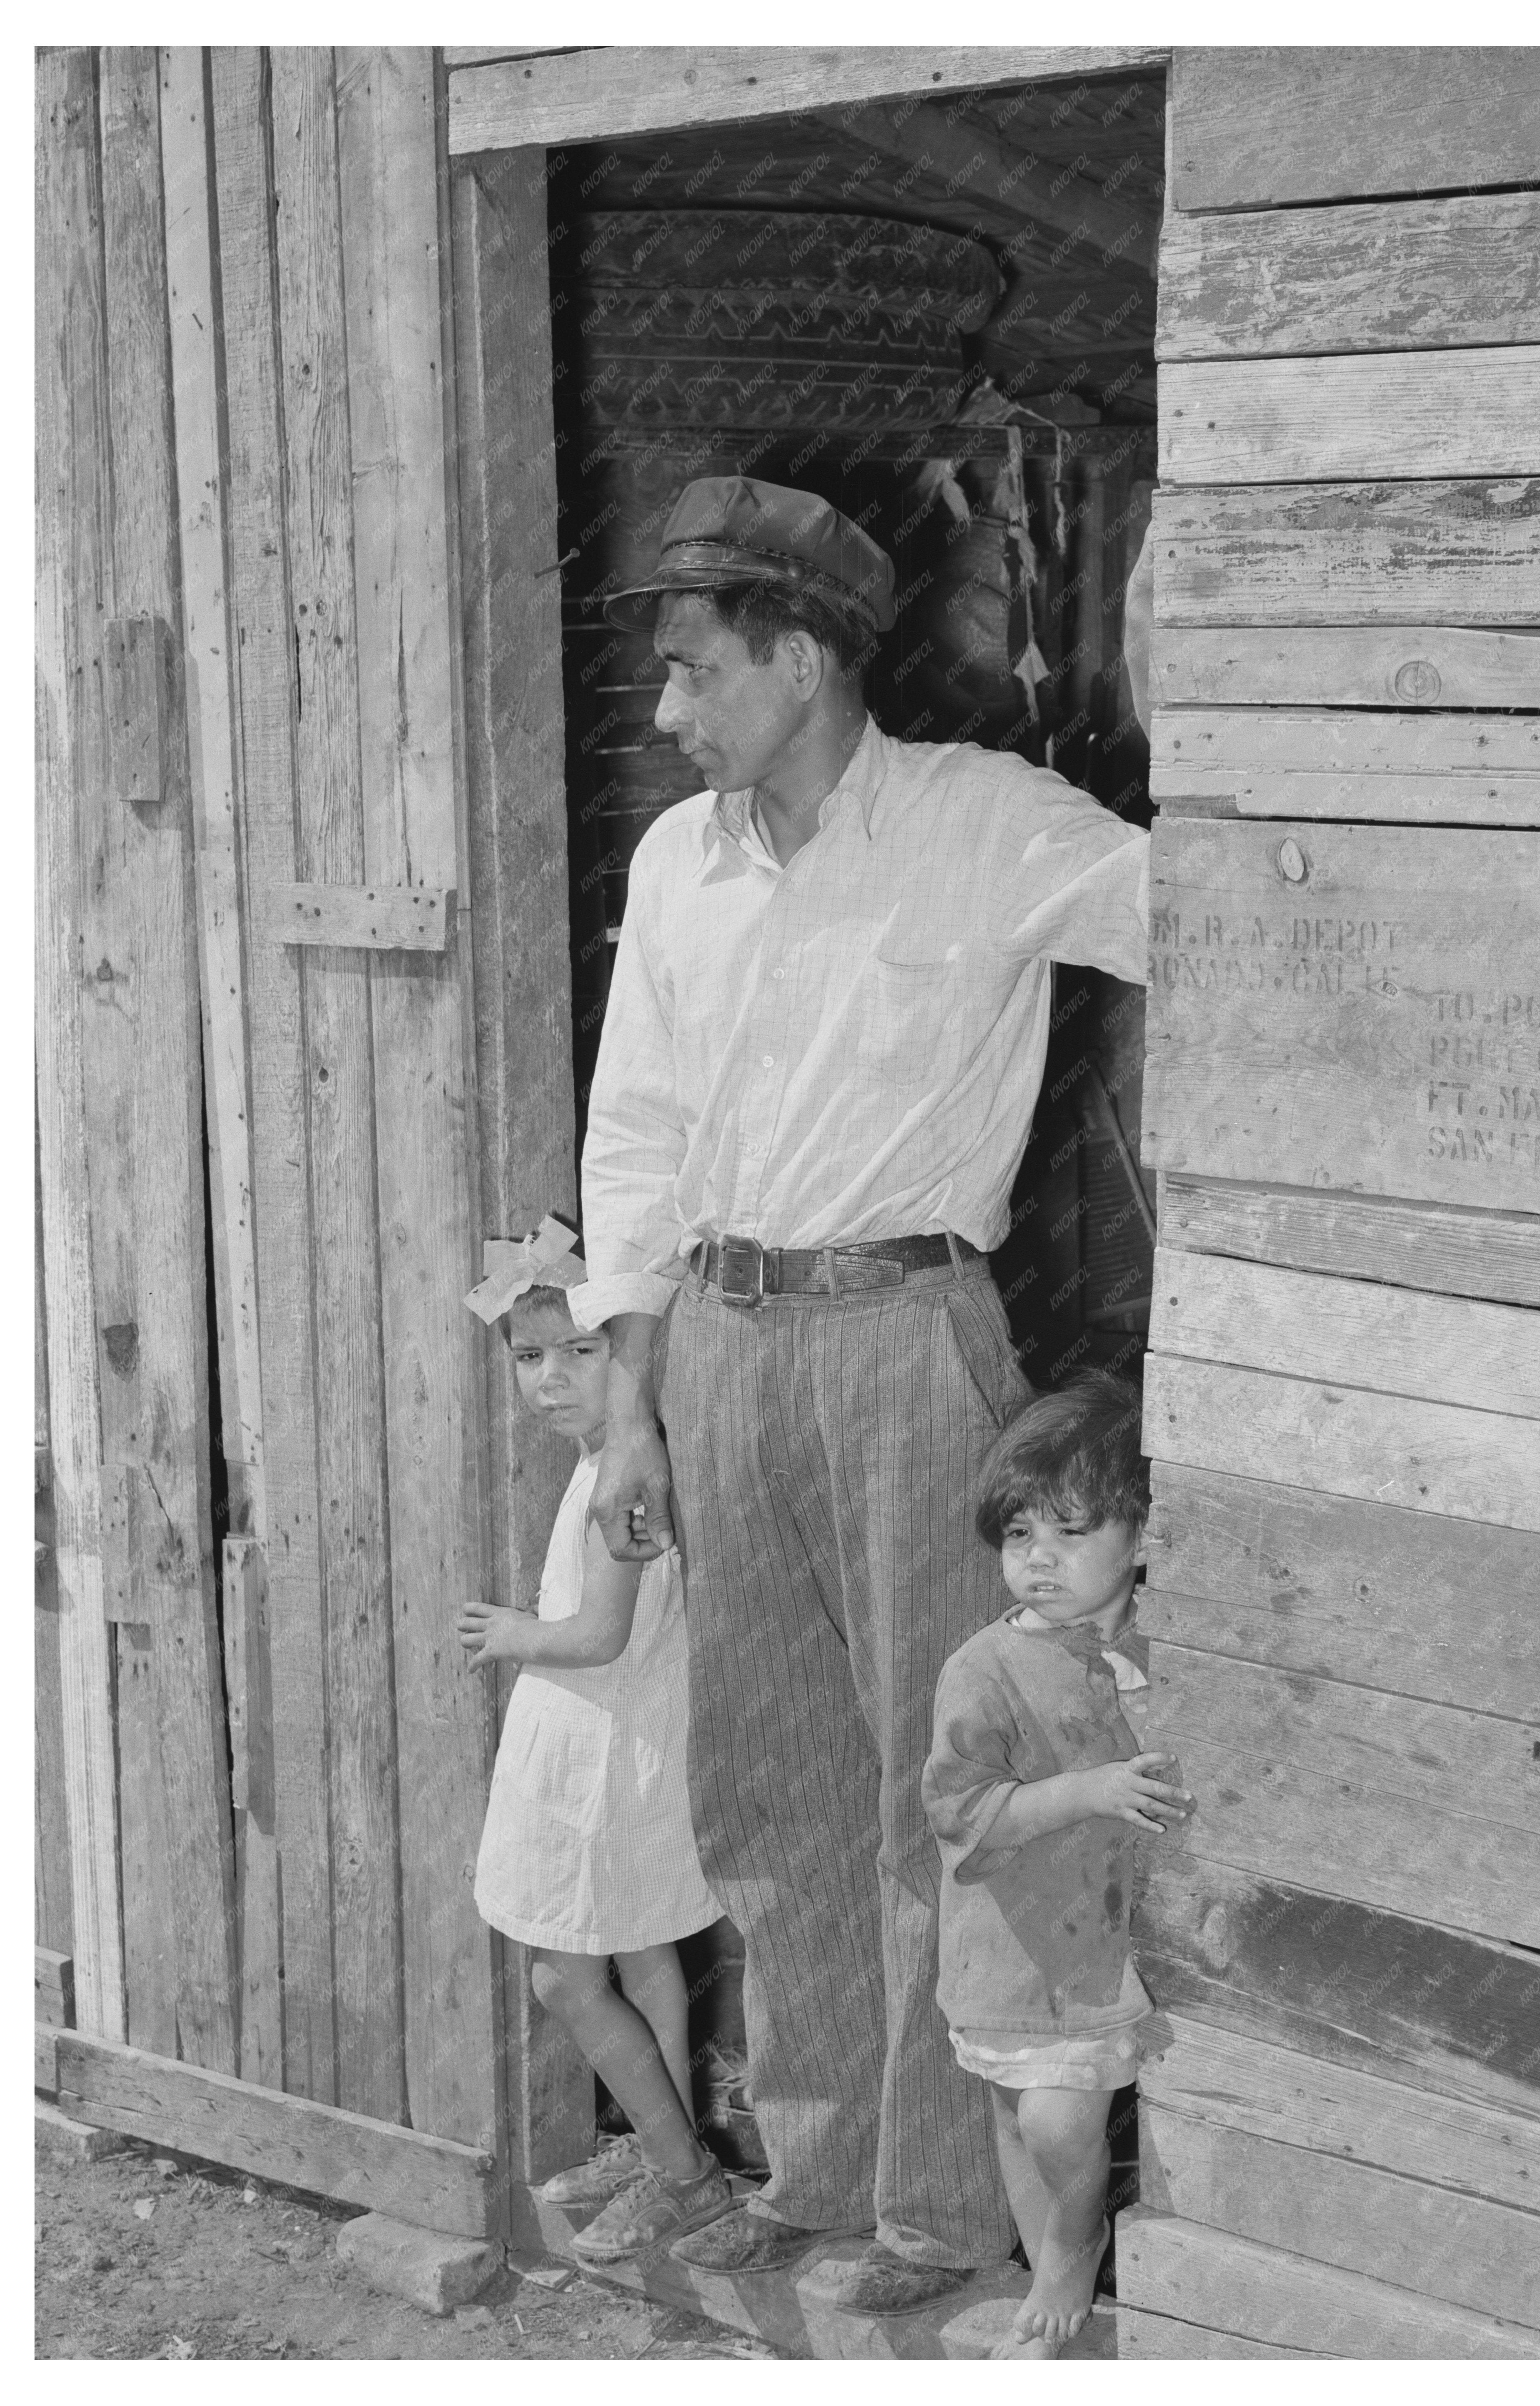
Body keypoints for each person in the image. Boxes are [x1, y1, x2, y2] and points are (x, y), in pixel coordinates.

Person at [568, 474, 1149, 2313]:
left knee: (934, 1783)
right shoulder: (680, 866)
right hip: (720, 1350)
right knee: (765, 1787)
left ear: (801, 657)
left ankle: (932, 2216)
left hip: (912, 1340)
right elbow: (636, 1145)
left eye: (691, 670)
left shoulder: (987, 826)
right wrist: (628, 1403)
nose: (665, 713)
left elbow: (1226, 918)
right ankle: (811, 2174)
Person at [456, 1264, 728, 2271]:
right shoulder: (614, 1458)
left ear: (633, 1354)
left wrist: (513, 1631)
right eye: (530, 1356)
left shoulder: (622, 1475)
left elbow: (601, 1633)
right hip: (629, 1743)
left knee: (564, 1981)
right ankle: (670, 2142)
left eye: (582, 1349)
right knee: (641, 1950)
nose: (552, 1377)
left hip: (600, 1756)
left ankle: (684, 2177)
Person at [923, 1372, 1192, 2358]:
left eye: (1069, 1531)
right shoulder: (983, 1668)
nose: (1037, 1559)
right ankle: (1058, 2259)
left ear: (1142, 1537)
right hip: (1015, 1946)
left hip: (1111, 1953)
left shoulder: (1175, 1644)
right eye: (1017, 1535)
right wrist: (1083, 1791)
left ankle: (1067, 2254)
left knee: (1053, 2115)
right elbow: (958, 1811)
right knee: (1022, 2116)